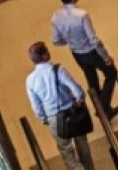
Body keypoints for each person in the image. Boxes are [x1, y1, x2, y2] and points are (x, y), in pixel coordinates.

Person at [52, 0, 118, 119]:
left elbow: (56, 41)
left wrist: (70, 41)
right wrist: (106, 57)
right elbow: (94, 40)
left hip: (77, 53)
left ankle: (103, 109)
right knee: (111, 73)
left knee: (91, 79)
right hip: (91, 52)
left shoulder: (56, 17)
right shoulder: (82, 15)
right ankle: (103, 108)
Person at [25, 42, 94, 170]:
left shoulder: (30, 80)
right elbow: (76, 89)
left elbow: (36, 106)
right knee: (82, 143)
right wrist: (79, 99)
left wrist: (44, 118)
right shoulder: (58, 69)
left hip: (53, 118)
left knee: (66, 152)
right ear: (44, 55)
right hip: (72, 112)